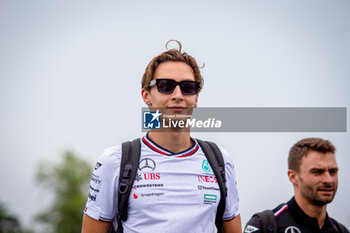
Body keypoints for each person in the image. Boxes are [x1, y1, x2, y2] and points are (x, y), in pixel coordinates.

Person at [81, 40, 242, 233]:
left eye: (188, 87)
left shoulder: (220, 160)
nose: (177, 95)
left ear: (196, 98)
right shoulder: (115, 161)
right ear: (146, 96)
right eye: (166, 86)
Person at [244, 137, 349, 233]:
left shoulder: (341, 231)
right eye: (317, 172)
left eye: (333, 171)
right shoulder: (265, 225)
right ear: (293, 177)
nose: (328, 180)